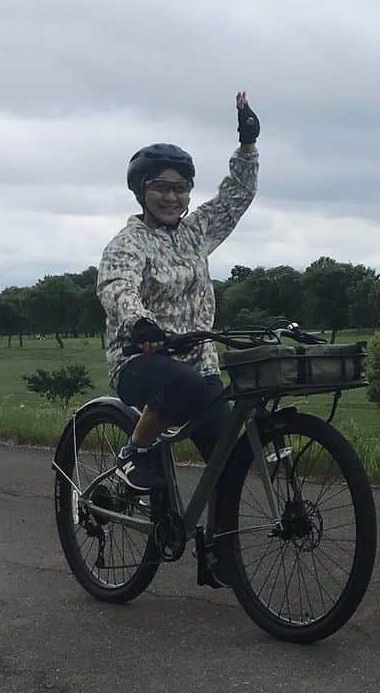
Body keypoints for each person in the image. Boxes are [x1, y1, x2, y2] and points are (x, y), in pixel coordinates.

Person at [97, 92, 260, 494]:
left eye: (182, 188)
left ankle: (220, 553)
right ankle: (134, 454)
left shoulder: (195, 232)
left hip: (200, 367)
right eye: (161, 187)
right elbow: (117, 284)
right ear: (141, 191)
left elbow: (236, 197)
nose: (172, 197)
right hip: (141, 360)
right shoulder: (129, 242)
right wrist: (139, 322)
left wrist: (248, 144)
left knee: (228, 467)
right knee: (181, 384)